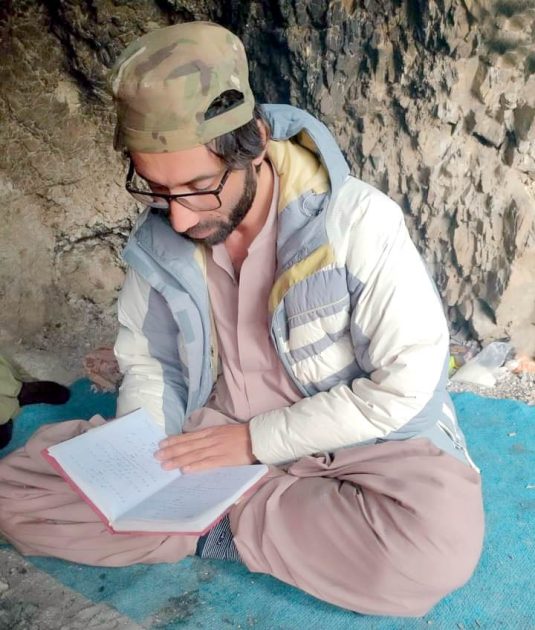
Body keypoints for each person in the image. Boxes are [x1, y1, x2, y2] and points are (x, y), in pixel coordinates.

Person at [0, 22, 484, 617]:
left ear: (253, 143)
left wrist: (254, 444)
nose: (180, 220)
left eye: (198, 187)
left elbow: (404, 390)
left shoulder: (359, 223)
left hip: (351, 435)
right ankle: (241, 520)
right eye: (157, 191)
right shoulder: (161, 237)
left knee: (433, 553)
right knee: (15, 497)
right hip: (211, 425)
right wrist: (146, 447)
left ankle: (213, 522)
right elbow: (151, 361)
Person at [0, 353, 70, 449]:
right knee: (3, 438)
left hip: (14, 388)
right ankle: (20, 392)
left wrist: (24, 381)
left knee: (61, 394)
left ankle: (21, 390)